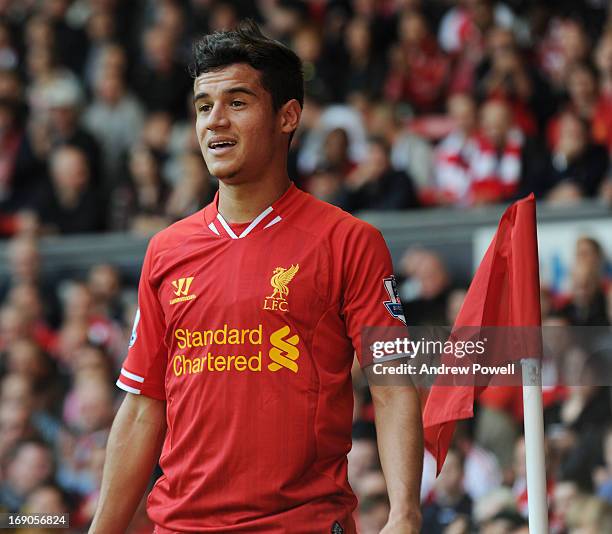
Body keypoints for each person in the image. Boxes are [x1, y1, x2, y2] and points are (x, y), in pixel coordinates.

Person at [90, 20, 423, 534]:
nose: (214, 122)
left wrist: (403, 512)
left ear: (288, 116)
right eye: (204, 107)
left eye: (237, 103)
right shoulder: (165, 251)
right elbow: (141, 407)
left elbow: (392, 384)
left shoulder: (348, 240)